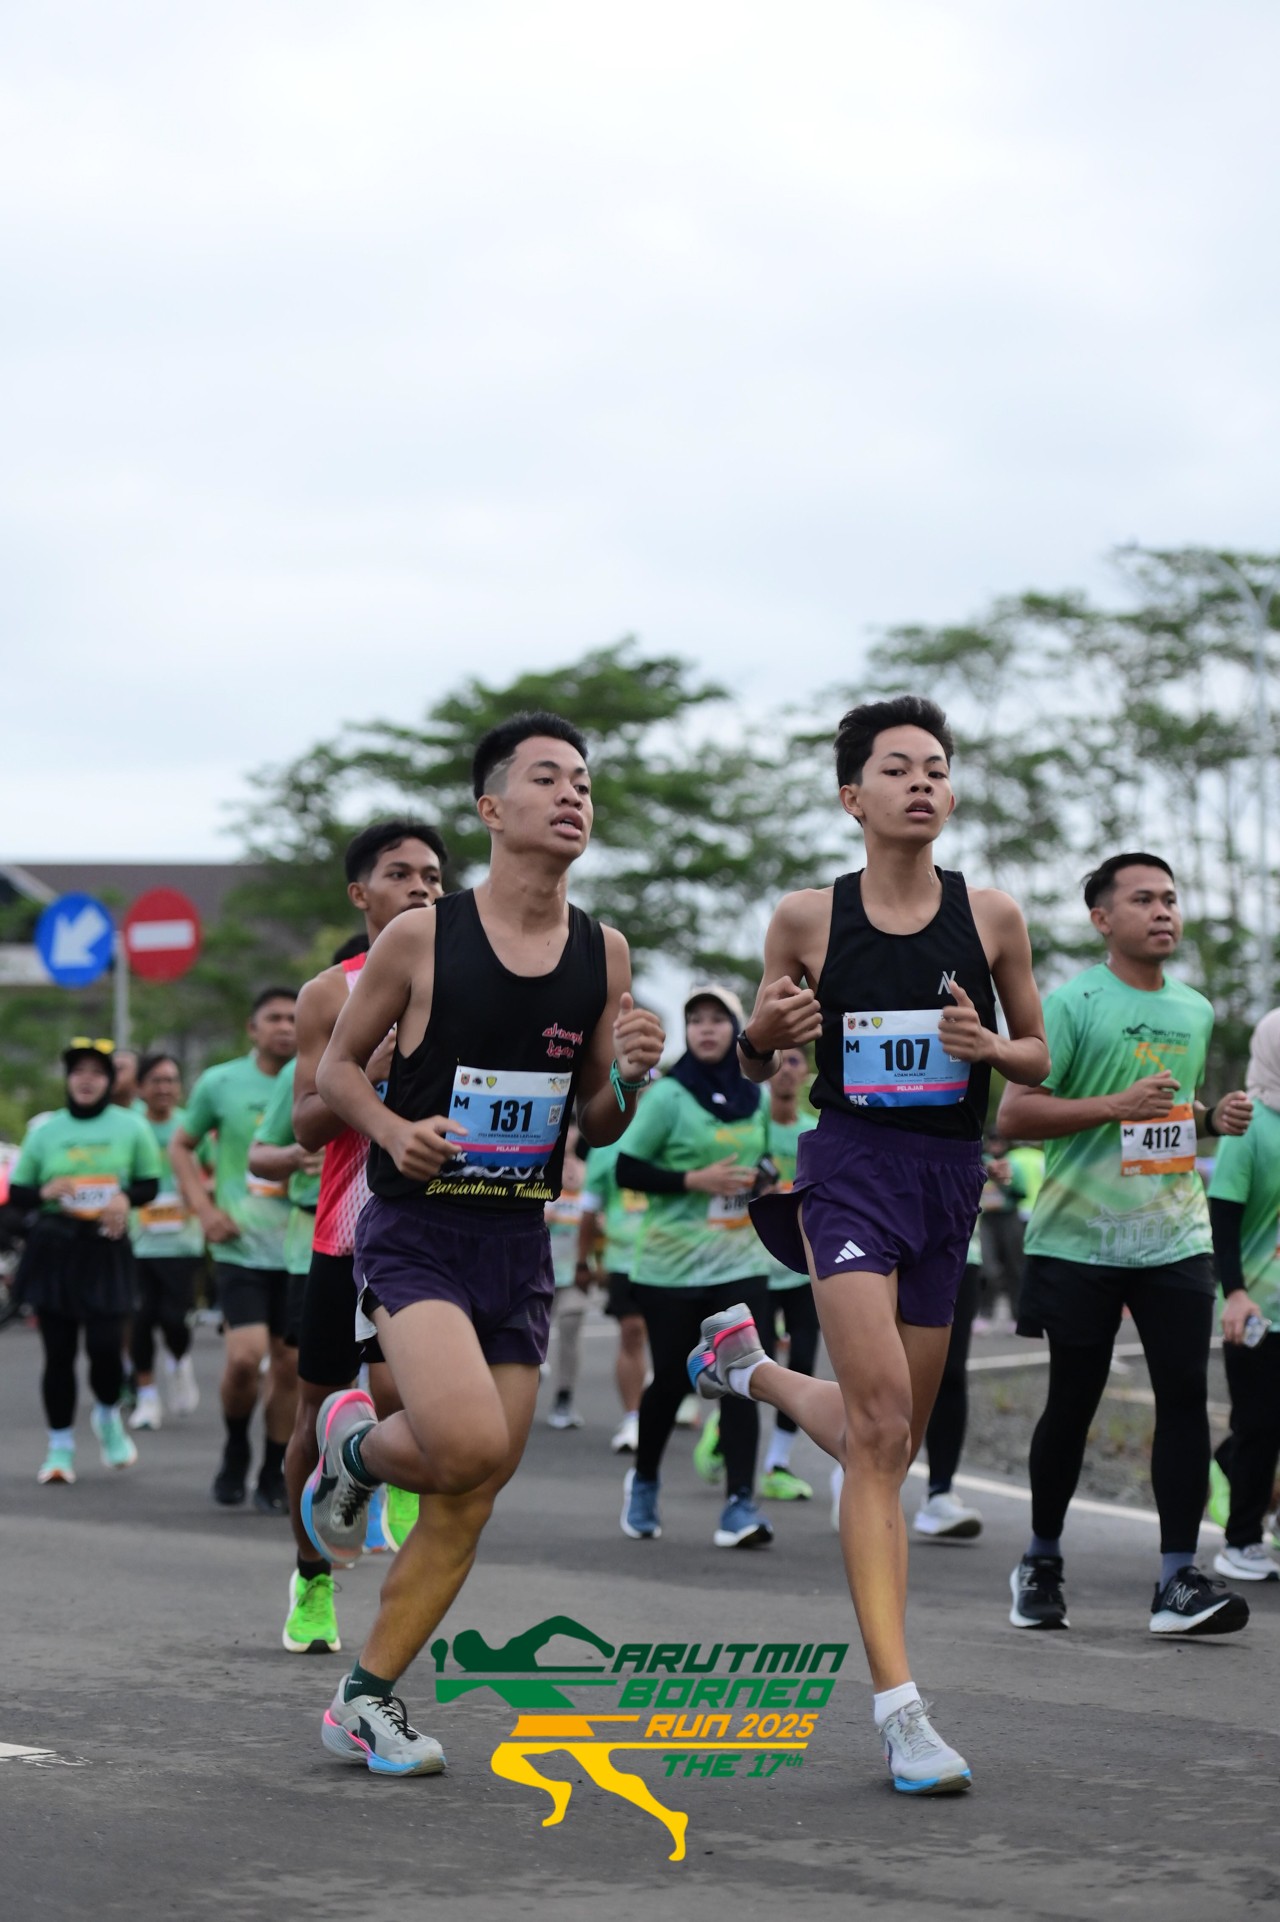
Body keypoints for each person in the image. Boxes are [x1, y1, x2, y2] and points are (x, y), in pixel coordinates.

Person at [692, 695, 1049, 1795]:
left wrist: (989, 1046)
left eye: (935, 767)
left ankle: (748, 1367)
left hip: (947, 1182)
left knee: (882, 1441)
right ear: (853, 797)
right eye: (897, 768)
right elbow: (757, 1054)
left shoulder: (991, 915)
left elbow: (1036, 1056)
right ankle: (902, 1711)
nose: (921, 782)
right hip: (847, 1171)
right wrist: (764, 1034)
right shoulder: (807, 917)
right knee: (884, 1425)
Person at [301, 711, 664, 1774]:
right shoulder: (421, 937)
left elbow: (594, 1124)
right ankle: (355, 1447)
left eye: (583, 782)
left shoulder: (603, 951)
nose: (572, 795)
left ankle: (364, 1700)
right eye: (547, 777)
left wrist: (631, 1077)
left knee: (474, 1486)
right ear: (491, 808)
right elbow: (334, 1072)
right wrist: (391, 1130)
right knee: (460, 1445)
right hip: (415, 1231)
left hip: (517, 1242)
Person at [999, 852, 1253, 1637]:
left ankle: (1177, 1580)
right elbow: (1015, 1115)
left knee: (1184, 1397)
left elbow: (1165, 1113)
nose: (1163, 911)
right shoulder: (1070, 1003)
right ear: (1102, 919)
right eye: (1143, 899)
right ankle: (1040, 1560)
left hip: (1175, 1235)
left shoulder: (1195, 1010)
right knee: (1072, 1402)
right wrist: (1115, 1105)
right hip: (1078, 1240)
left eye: (1170, 898)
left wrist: (1210, 1119)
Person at [283, 820, 448, 1655]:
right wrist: (368, 1074)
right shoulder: (327, 994)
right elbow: (306, 1124)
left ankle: (393, 1481)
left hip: (422, 1231)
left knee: (402, 1396)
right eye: (401, 873)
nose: (422, 887)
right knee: (313, 1416)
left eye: (433, 876)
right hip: (343, 1233)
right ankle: (311, 1578)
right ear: (361, 894)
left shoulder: (462, 979)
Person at [616, 986, 775, 1550]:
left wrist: (762, 1178)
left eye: (717, 1019)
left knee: (743, 1376)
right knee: (672, 1381)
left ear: (736, 1028)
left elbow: (762, 1158)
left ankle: (739, 1505)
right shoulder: (668, 1096)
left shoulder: (756, 1096)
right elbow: (627, 1170)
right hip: (670, 1267)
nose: (706, 1029)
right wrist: (694, 1180)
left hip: (740, 1260)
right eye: (696, 1020)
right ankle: (644, 1480)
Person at [170, 987, 299, 1512]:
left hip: (301, 1245)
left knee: (289, 1366)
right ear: (252, 1028)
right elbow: (181, 1144)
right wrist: (204, 1210)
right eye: (274, 1018)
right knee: (245, 1359)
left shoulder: (321, 1076)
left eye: (294, 1018)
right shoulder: (220, 1082)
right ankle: (235, 1446)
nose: (286, 1027)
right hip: (239, 1246)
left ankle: (273, 1468)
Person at [9, 1040, 162, 1483]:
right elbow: (18, 1193)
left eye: (97, 1072)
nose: (86, 1080)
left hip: (106, 1248)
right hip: (56, 1249)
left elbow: (149, 1185)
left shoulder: (131, 1126)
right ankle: (59, 1449)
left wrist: (124, 1197)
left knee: (104, 1348)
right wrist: (44, 1191)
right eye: (78, 1072)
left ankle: (108, 1416)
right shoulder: (46, 1130)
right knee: (58, 1354)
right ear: (68, 1079)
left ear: (109, 1081)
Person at [1206, 1007, 1280, 1581]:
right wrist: (1233, 1292)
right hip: (1255, 1309)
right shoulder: (1249, 1125)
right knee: (1260, 1424)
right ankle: (1241, 1541)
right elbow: (1222, 1221)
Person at [247, 1053, 325, 1513]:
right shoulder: (303, 1068)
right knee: (301, 1370)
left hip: (397, 1233)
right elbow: (260, 1156)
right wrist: (296, 1155)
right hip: (313, 1236)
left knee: (387, 1377)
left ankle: (375, 1494)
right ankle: (277, 1465)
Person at [128, 1052, 205, 1430]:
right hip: (135, 1241)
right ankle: (146, 1397)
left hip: (182, 1242)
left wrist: (200, 1190)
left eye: (171, 1080)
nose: (164, 1087)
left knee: (174, 1319)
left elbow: (213, 1170)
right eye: (156, 1080)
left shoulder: (190, 1126)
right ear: (140, 1087)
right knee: (140, 1319)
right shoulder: (129, 1126)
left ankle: (178, 1361)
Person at [758, 1046, 819, 1501]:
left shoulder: (814, 1132)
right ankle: (723, 1430)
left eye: (795, 1061)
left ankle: (777, 1461)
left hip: (801, 1266)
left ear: (806, 1074)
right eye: (778, 1059)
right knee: (754, 1361)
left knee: (802, 1360)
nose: (785, 1069)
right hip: (752, 1265)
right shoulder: (749, 1125)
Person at [577, 1125, 649, 1454]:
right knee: (632, 1332)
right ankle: (633, 1418)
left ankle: (665, 1402)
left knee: (670, 1340)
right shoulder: (605, 1150)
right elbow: (589, 1210)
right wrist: (583, 1262)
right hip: (623, 1260)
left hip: (672, 1259)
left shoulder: (673, 1139)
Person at [544, 1129, 590, 1429]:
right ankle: (529, 1374)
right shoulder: (541, 1167)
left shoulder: (589, 1172)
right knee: (530, 1333)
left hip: (574, 1270)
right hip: (539, 1269)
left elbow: (601, 1208)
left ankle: (564, 1397)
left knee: (571, 1326)